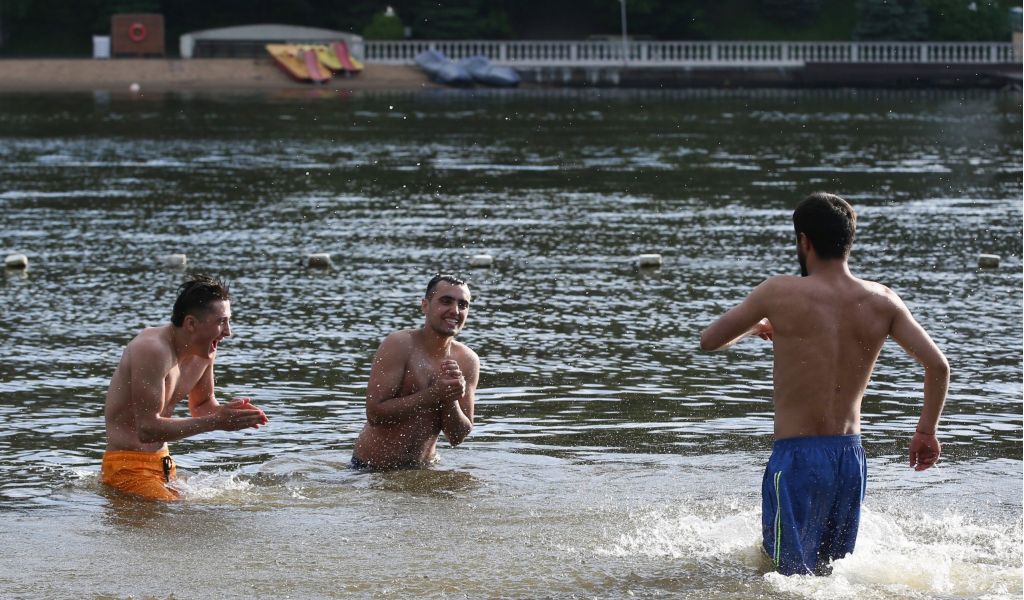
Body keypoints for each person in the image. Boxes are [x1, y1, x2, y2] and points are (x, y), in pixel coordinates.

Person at [699, 192, 949, 576]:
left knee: (784, 577)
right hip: (849, 459)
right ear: (850, 240)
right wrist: (926, 431)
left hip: (796, 459)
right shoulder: (883, 300)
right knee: (831, 575)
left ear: (804, 241)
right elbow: (938, 366)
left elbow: (710, 339)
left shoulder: (778, 293)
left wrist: (755, 327)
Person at [102, 274, 268, 501]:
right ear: (191, 323)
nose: (228, 332)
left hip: (164, 464)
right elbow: (147, 430)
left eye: (228, 321)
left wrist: (231, 415)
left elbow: (201, 405)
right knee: (183, 514)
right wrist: (216, 422)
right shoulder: (151, 349)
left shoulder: (204, 349)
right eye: (221, 322)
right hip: (127, 468)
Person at [351, 274, 480, 470]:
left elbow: (457, 436)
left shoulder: (467, 360)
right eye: (446, 301)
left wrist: (450, 399)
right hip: (370, 471)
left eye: (463, 305)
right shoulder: (399, 344)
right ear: (425, 306)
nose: (455, 311)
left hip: (423, 470)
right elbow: (375, 414)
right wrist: (434, 394)